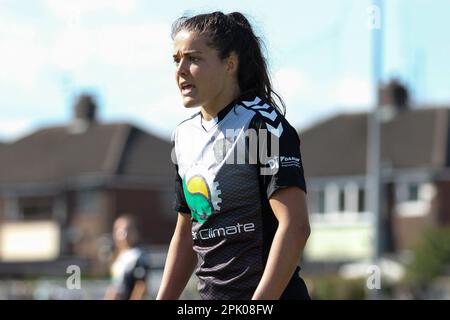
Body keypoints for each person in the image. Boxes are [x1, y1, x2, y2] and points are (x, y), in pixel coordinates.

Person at [157, 11, 311, 300]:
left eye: (194, 58)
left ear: (230, 64)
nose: (181, 69)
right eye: (176, 60)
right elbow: (185, 234)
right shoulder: (184, 137)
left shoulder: (263, 125)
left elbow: (296, 227)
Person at [104, 214, 150, 300]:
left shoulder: (138, 255)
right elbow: (115, 283)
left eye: (127, 230)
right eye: (118, 230)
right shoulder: (119, 255)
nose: (122, 234)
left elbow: (141, 286)